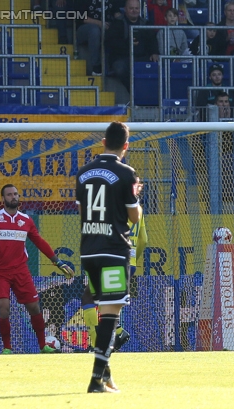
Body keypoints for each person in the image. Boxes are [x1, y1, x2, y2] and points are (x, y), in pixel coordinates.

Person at [76, 121, 142, 393]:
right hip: (114, 250)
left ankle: (106, 376)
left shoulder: (82, 173)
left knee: (103, 313)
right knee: (111, 316)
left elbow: (82, 212)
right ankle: (95, 381)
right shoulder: (127, 173)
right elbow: (134, 217)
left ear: (103, 142)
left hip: (88, 251)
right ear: (125, 146)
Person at [0, 184, 75, 354]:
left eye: (15, 194)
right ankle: (7, 348)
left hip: (21, 270)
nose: (13, 197)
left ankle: (43, 345)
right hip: (0, 271)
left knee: (34, 308)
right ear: (3, 199)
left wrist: (58, 262)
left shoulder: (26, 220)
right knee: (3, 306)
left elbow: (40, 242)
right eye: (9, 195)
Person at [81, 207, 144, 354]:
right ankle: (117, 333)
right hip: (129, 262)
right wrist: (133, 261)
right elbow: (144, 239)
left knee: (88, 297)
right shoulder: (137, 209)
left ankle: (97, 344)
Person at [107, 0, 159, 87]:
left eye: (136, 8)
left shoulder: (146, 23)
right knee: (119, 68)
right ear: (125, 9)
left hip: (142, 58)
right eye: (131, 8)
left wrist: (154, 52)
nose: (134, 11)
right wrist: (128, 43)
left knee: (160, 64)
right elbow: (109, 42)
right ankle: (135, 90)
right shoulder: (117, 23)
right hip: (122, 58)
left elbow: (152, 40)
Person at [77, 0, 112, 75]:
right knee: (94, 30)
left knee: (118, 27)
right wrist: (100, 23)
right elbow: (81, 17)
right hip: (84, 29)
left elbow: (117, 13)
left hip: (107, 26)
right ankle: (96, 66)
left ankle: (113, 65)